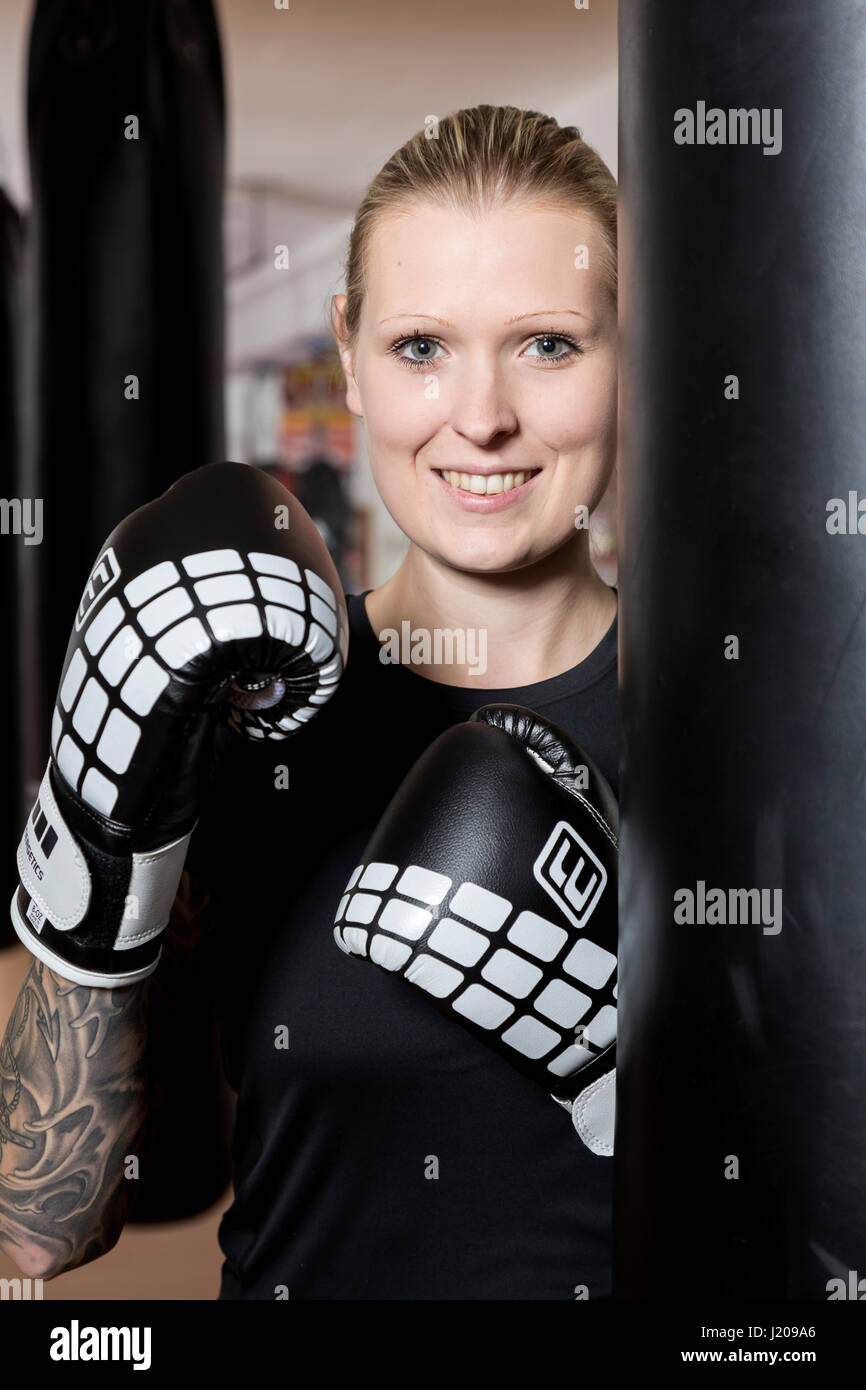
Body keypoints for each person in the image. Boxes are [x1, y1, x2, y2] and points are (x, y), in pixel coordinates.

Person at [0, 105, 620, 1300]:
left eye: (546, 345)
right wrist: (99, 814)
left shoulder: (739, 733)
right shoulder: (243, 711)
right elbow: (45, 1222)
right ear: (346, 350)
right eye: (419, 347)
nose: (479, 416)